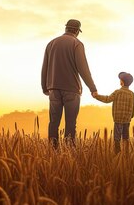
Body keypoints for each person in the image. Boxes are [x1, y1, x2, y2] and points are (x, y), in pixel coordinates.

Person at [41, 19, 98, 148]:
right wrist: (92, 88)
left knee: (54, 122)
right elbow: (83, 69)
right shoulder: (77, 44)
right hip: (72, 89)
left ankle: (52, 150)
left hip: (53, 89)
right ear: (77, 31)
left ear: (66, 28)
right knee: (70, 122)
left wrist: (45, 87)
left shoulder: (51, 43)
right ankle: (69, 151)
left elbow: (45, 67)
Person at [93, 72, 134, 153]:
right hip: (127, 119)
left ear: (122, 82)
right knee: (126, 137)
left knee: (117, 137)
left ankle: (117, 153)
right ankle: (126, 154)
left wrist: (97, 96)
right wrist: (130, 116)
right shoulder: (132, 94)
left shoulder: (117, 92)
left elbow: (107, 99)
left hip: (118, 118)